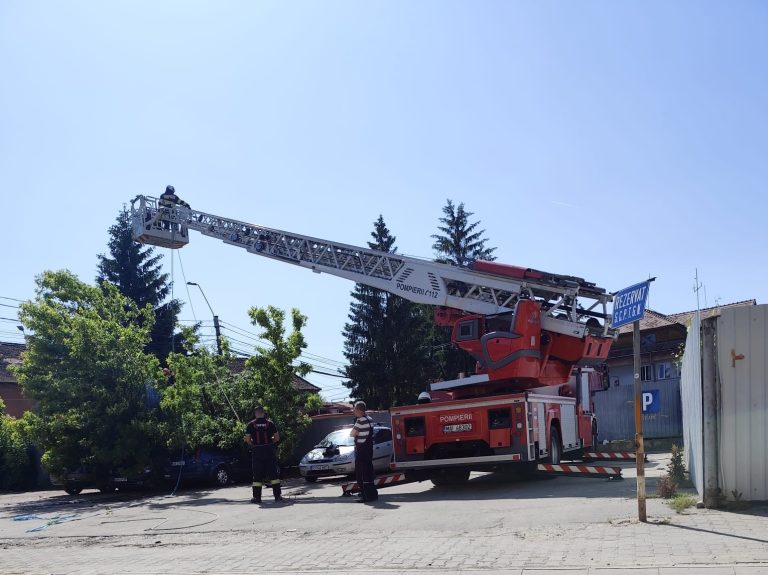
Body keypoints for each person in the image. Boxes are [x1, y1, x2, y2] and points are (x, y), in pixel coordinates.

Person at [243, 405, 283, 504]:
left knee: (257, 476)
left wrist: (253, 442)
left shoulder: (250, 425)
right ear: (263, 413)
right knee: (273, 475)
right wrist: (270, 442)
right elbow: (277, 438)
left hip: (257, 451)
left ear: (256, 413)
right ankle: (277, 496)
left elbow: (248, 440)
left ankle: (257, 498)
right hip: (269, 450)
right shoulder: (270, 424)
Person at [350, 401, 378, 503]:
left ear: (359, 410)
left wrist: (356, 431)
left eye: (354, 409)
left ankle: (366, 496)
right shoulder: (369, 419)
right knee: (369, 472)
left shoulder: (360, 420)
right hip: (369, 449)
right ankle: (373, 494)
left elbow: (352, 434)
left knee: (361, 473)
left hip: (362, 449)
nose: (353, 411)